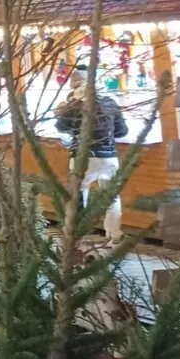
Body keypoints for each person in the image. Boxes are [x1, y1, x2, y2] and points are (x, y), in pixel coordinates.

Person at [54, 69, 129, 242]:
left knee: (79, 196)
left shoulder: (74, 105)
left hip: (82, 157)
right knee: (112, 197)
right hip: (109, 156)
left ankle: (78, 236)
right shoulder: (109, 102)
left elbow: (61, 127)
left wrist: (64, 108)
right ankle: (115, 235)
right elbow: (122, 131)